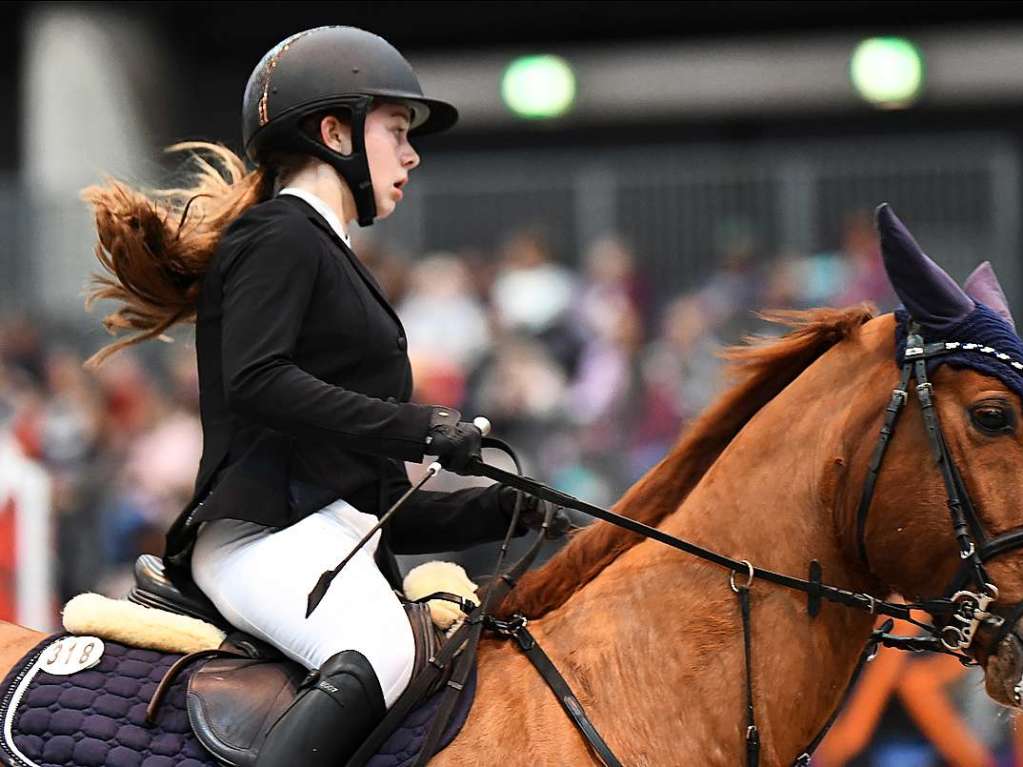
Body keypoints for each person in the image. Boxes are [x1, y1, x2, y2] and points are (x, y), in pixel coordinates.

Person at [82, 26, 567, 766]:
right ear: (333, 131)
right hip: (256, 542)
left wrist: (503, 504)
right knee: (381, 647)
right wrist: (422, 429)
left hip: (313, 540)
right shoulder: (280, 235)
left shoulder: (331, 256)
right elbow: (256, 379)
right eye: (397, 131)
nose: (410, 154)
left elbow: (367, 511)